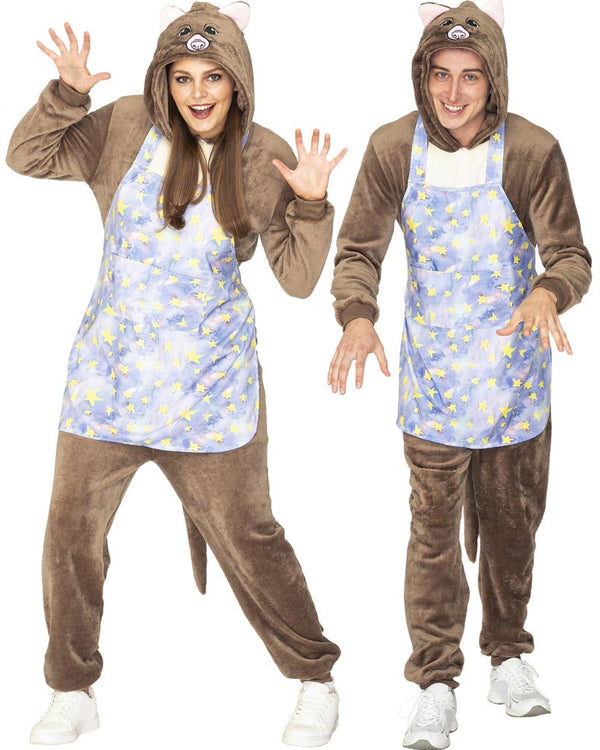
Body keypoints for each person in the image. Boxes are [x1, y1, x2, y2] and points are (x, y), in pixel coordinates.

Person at [6, 2, 346, 746]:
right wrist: (67, 96)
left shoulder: (262, 155)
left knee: (251, 537)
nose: (198, 92)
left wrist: (312, 204)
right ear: (163, 78)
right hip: (109, 382)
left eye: (213, 77)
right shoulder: (125, 125)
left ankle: (315, 678)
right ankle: (72, 689)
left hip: (210, 390)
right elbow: (25, 156)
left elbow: (296, 281)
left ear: (237, 81)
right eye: (183, 76)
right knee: (70, 534)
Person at [328, 1, 591, 748]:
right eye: (440, 74)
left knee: (512, 528)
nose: (453, 92)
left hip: (515, 384)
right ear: (422, 75)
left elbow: (570, 254)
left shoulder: (532, 149)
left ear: (494, 77)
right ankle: (435, 681)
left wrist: (548, 292)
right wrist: (357, 315)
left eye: (470, 76)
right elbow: (358, 251)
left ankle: (508, 654)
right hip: (434, 385)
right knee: (434, 537)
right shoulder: (392, 148)